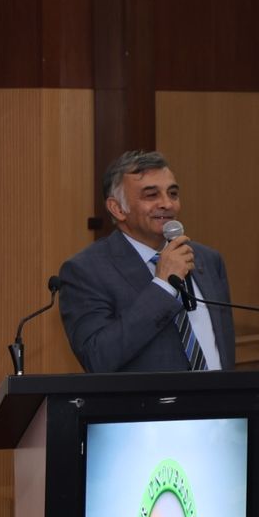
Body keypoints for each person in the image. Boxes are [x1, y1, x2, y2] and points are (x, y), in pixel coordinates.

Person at [58, 150, 234, 374]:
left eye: (173, 194)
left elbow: (223, 347)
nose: (167, 204)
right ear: (117, 209)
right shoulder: (86, 271)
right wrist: (163, 286)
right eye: (151, 195)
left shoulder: (207, 260)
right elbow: (97, 357)